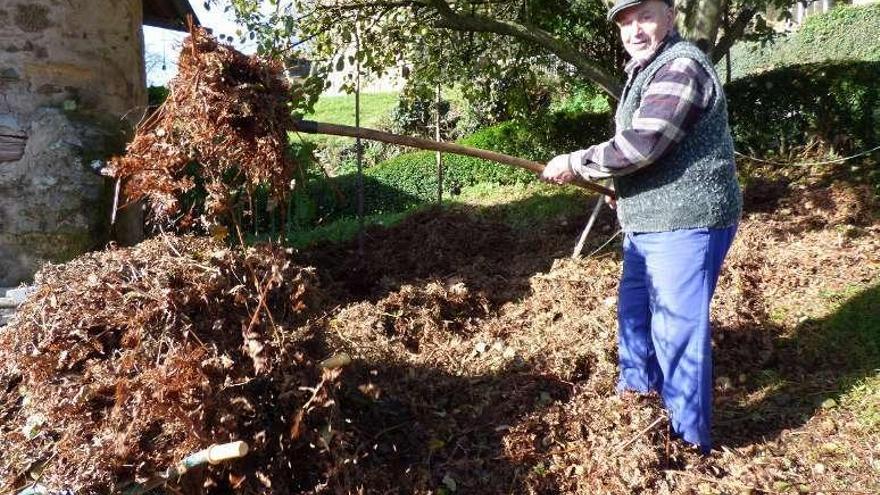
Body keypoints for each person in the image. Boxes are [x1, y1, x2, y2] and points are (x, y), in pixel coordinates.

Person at [541, 0, 742, 453]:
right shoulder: (645, 69)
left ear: (670, 15)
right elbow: (649, 155)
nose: (633, 30)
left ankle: (688, 443)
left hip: (687, 222)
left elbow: (644, 143)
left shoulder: (681, 67)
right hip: (648, 224)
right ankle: (635, 414)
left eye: (644, 16)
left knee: (676, 336)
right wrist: (622, 192)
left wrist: (578, 163)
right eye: (625, 22)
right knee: (634, 321)